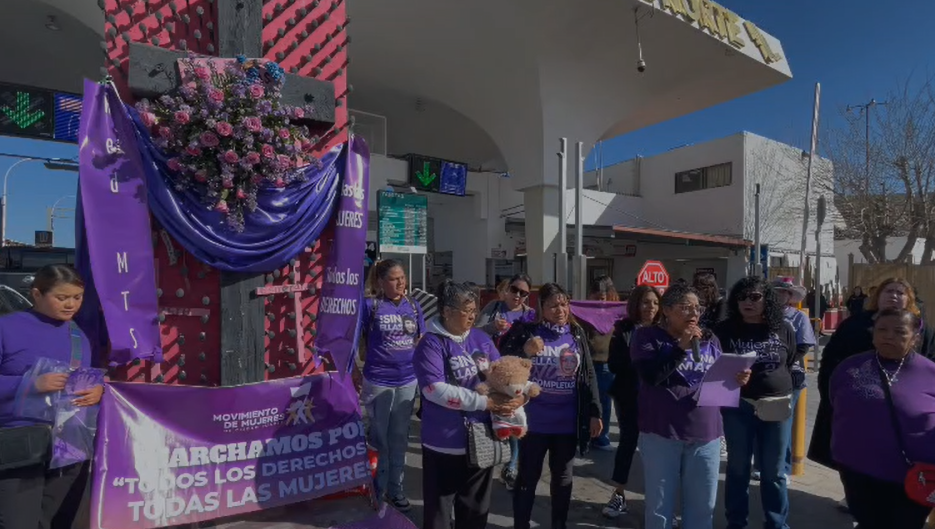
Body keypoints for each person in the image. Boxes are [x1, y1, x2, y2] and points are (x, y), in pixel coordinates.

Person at [630, 283, 750, 529]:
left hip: (707, 434)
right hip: (662, 433)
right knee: (660, 508)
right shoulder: (647, 337)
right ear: (667, 310)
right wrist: (680, 348)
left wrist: (737, 379)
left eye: (698, 308)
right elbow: (652, 377)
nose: (694, 314)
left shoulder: (710, 338)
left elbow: (718, 379)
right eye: (686, 308)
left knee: (702, 507)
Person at [413, 280, 523, 529]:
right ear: (446, 311)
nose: (473, 315)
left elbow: (501, 373)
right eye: (467, 310)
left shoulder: (480, 338)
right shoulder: (430, 343)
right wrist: (485, 402)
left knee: (475, 513)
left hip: (481, 443)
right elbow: (434, 390)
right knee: (438, 516)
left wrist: (517, 395)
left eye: (474, 309)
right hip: (443, 443)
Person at [0, 264, 101, 529]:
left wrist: (97, 391)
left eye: (77, 297)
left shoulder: (79, 335)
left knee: (61, 520)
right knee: (17, 521)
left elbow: (85, 379)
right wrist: (29, 384)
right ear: (36, 294)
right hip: (20, 442)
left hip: (70, 443)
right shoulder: (6, 328)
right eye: (62, 297)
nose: (71, 305)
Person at [499, 282, 602, 529]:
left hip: (566, 422)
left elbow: (589, 374)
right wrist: (525, 352)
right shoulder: (526, 330)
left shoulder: (577, 334)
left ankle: (559, 524)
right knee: (528, 478)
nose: (560, 310)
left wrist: (594, 411)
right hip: (534, 421)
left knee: (563, 480)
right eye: (553, 305)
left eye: (564, 304)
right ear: (541, 307)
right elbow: (503, 363)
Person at [810, 278, 935, 470]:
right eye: (888, 291)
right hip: (859, 404)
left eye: (900, 293)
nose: (893, 296)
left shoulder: (921, 329)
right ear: (878, 296)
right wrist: (835, 397)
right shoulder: (854, 325)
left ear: (909, 299)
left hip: (903, 410)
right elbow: (831, 362)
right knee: (855, 456)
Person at [830, 308, 935, 529]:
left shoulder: (929, 373)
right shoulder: (850, 367)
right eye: (882, 330)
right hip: (858, 471)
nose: (888, 336)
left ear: (915, 337)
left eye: (899, 331)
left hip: (916, 477)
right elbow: (834, 401)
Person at [715, 277, 797, 529]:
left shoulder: (783, 328)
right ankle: (736, 523)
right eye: (742, 297)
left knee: (773, 472)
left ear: (767, 300)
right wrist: (733, 377)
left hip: (776, 405)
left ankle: (776, 523)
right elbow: (714, 369)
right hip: (739, 406)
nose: (747, 302)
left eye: (754, 297)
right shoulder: (725, 329)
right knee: (738, 468)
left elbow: (790, 359)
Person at [360, 259, 425, 511]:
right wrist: (353, 371)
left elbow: (420, 339)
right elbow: (354, 338)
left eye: (403, 277)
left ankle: (396, 490)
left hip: (408, 380)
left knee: (399, 437)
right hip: (377, 381)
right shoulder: (370, 306)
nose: (401, 282)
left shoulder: (413, 305)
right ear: (380, 282)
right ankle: (377, 488)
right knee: (379, 438)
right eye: (394, 278)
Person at [602, 285, 661, 519]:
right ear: (636, 304)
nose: (651, 307)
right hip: (630, 395)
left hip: (659, 398)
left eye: (655, 303)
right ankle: (618, 495)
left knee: (657, 448)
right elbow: (614, 364)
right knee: (628, 442)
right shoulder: (624, 328)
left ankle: (658, 500)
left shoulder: (665, 330)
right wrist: (640, 360)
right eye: (646, 302)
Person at [474, 273, 536, 490]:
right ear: (506, 289)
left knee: (514, 418)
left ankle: (511, 465)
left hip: (516, 378)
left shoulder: (530, 315)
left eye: (524, 293)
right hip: (491, 373)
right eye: (515, 290)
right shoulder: (494, 308)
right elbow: (473, 332)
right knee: (493, 418)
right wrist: (492, 327)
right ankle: (490, 459)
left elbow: (535, 343)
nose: (518, 296)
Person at [770, 278, 815, 478]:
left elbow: (804, 345)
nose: (779, 295)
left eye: (783, 292)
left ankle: (784, 468)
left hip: (791, 374)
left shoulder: (798, 317)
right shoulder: (763, 315)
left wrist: (785, 362)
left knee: (783, 423)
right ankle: (763, 464)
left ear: (790, 296)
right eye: (776, 291)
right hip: (765, 375)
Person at [579, 275, 619, 452]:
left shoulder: (615, 311)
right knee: (591, 402)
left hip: (605, 363)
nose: (598, 302)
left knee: (602, 402)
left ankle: (600, 438)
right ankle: (593, 437)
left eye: (601, 298)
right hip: (589, 362)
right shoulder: (584, 311)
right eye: (594, 298)